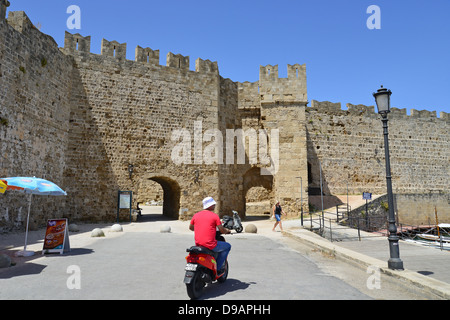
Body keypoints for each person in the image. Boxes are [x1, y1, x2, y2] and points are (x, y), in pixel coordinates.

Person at [189, 197, 231, 272]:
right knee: (227, 246)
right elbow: (221, 229)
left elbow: (191, 228)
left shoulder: (196, 215)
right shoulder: (214, 216)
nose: (215, 205)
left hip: (198, 244)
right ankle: (218, 268)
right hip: (210, 245)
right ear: (210, 205)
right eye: (213, 204)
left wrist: (201, 228)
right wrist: (227, 231)